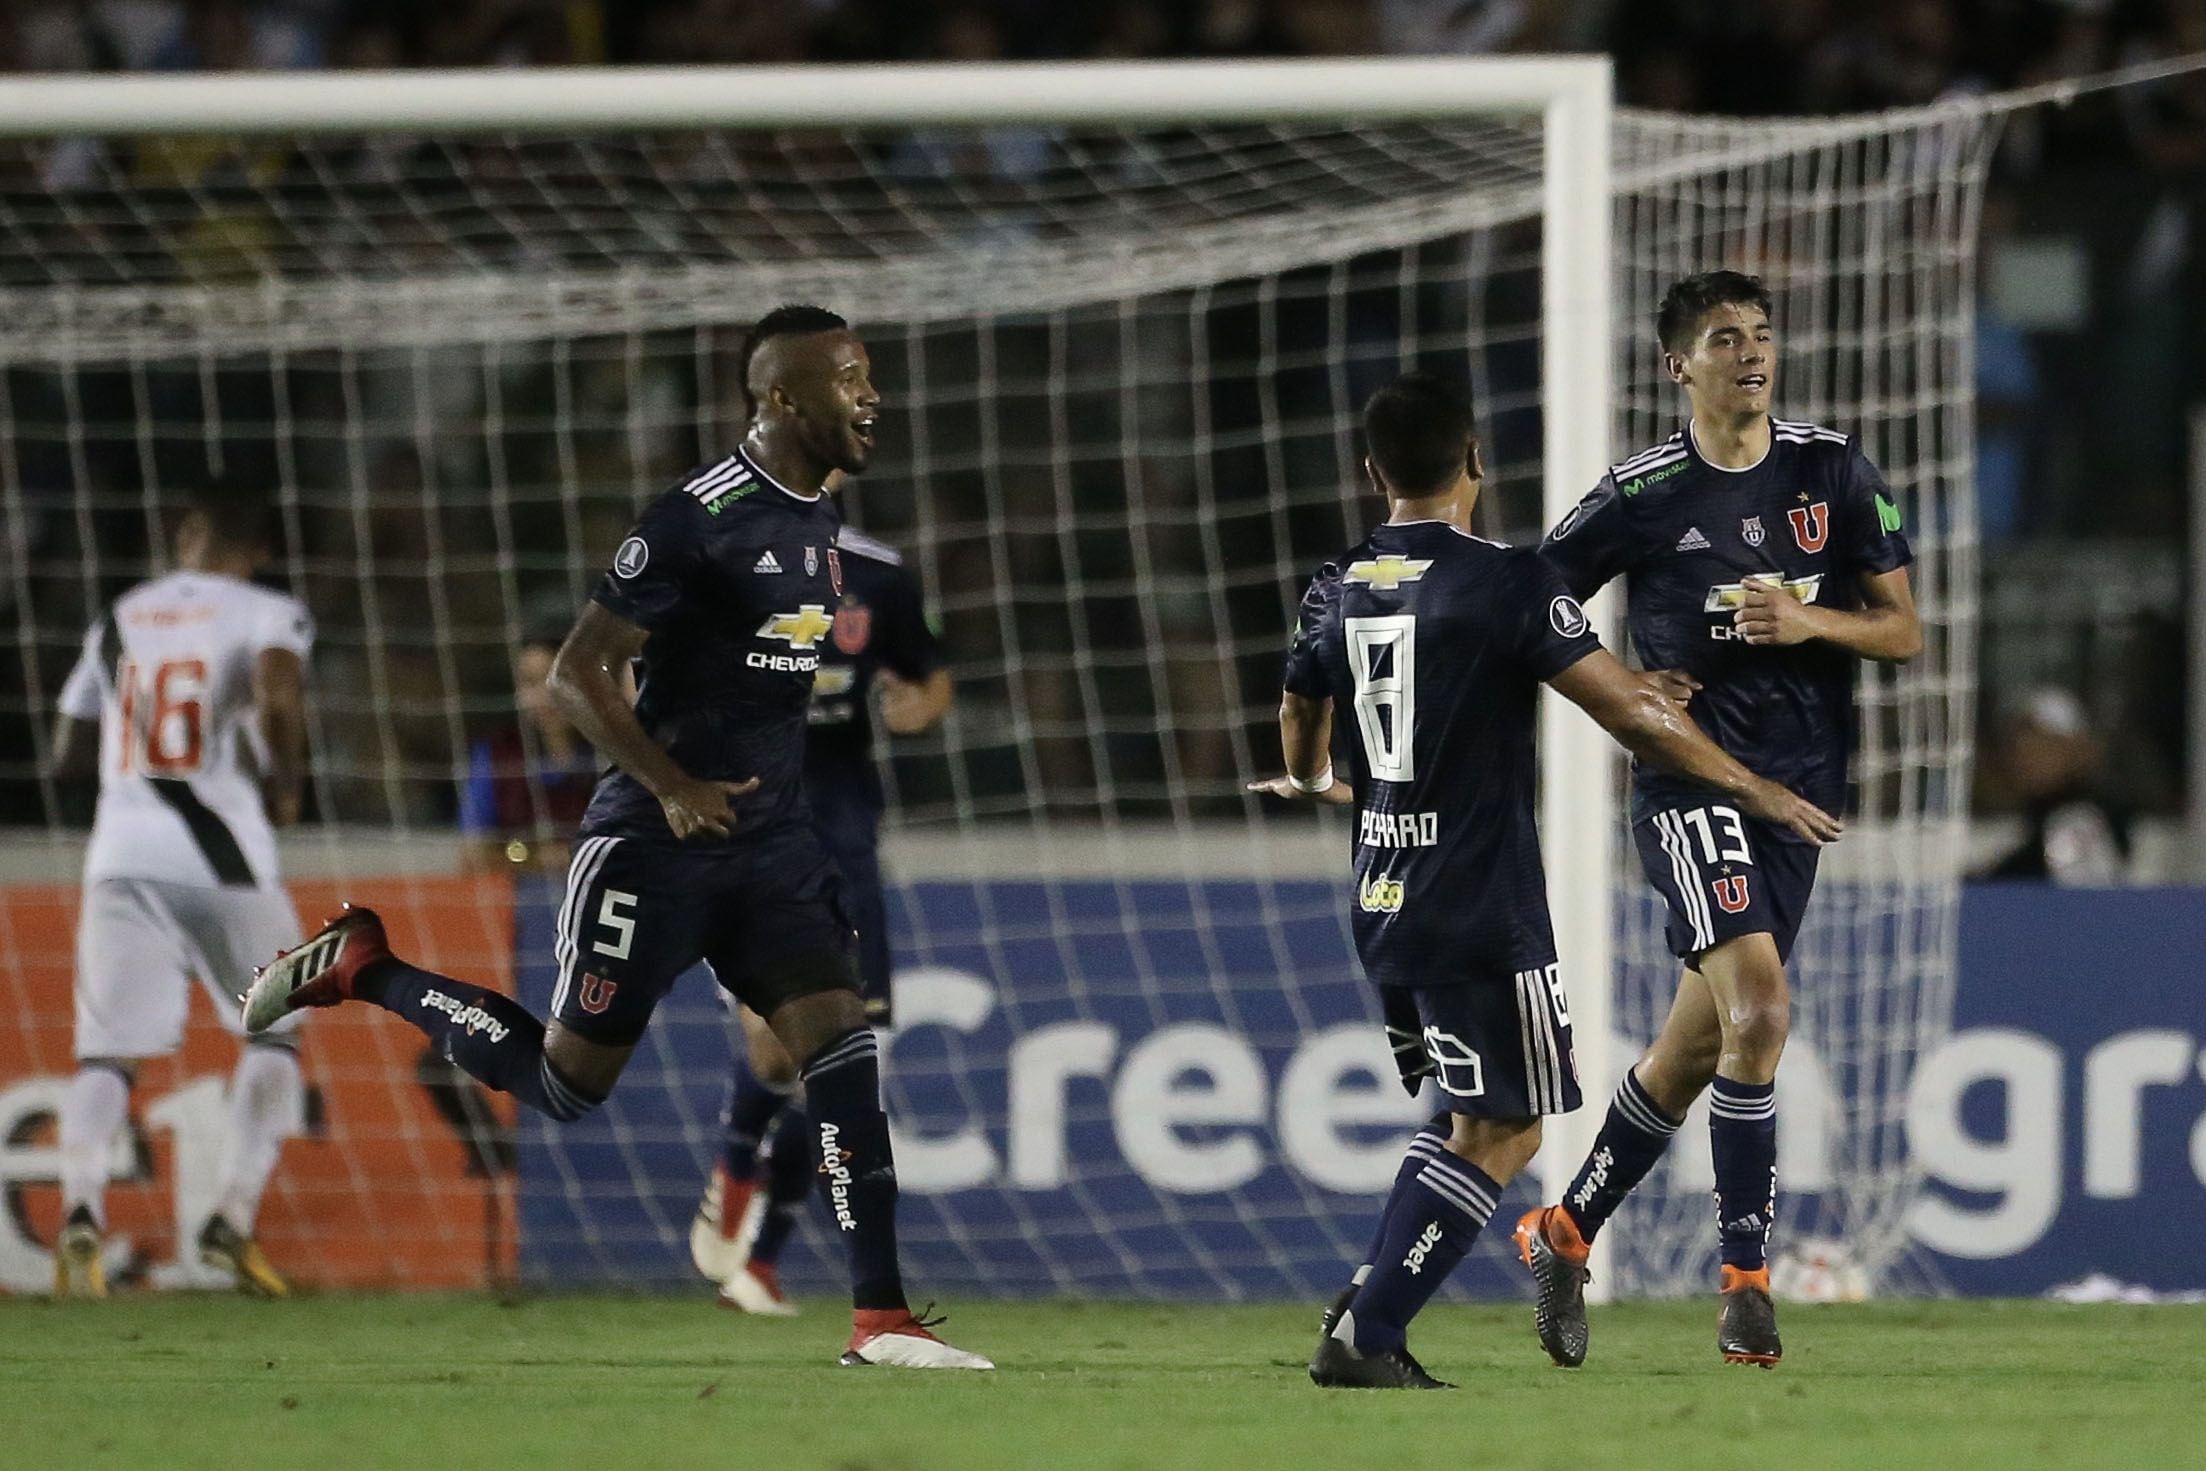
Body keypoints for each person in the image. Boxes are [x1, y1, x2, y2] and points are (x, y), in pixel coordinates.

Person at [243, 305, 990, 1371]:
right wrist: (672, 783)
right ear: (780, 397)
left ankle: (880, 1320)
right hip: (655, 841)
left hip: (772, 845)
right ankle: (369, 964)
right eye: (848, 376)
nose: (871, 395)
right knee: (565, 1084)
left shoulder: (826, 526)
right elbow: (576, 671)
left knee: (841, 1042)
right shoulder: (695, 517)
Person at [1252, 371, 1840, 1389]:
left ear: (1371, 472)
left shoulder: (1336, 579)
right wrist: (1756, 787)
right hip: (1478, 897)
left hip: (1383, 887)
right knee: (1513, 1126)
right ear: (1475, 460)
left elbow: (1300, 713)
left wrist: (1314, 781)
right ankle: (1369, 1331)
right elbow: (1627, 716)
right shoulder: (1504, 578)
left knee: (1462, 1117)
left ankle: (1368, 1297)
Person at [1519, 270, 1921, 1370]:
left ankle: (1560, 1232)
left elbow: (1901, 633)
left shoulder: (1829, 469)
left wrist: (1804, 618)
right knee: (1763, 1009)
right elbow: (1529, 601)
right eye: (1722, 338)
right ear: (1676, 366)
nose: (1750, 353)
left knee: (1695, 1047)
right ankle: (1745, 1284)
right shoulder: (1641, 493)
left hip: (1801, 795)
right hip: (1692, 788)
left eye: (1760, 334)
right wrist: (1624, 686)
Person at [49, 478, 313, 1298]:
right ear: (262, 549)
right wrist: (285, 784)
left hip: (120, 856)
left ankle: (80, 1215)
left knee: (106, 1053)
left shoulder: (119, 617)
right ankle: (231, 1214)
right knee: (279, 1029)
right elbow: (274, 691)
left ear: (183, 535)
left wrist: (126, 778)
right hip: (221, 854)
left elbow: (65, 745)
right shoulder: (269, 611)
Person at [692, 516, 952, 1316]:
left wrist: (922, 703)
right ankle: (738, 1164)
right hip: (751, 836)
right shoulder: (715, 565)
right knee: (774, 1053)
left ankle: (760, 1265)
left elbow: (930, 672)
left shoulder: (877, 574)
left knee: (844, 1058)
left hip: (845, 843)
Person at [456, 620, 600, 872]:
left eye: (556, 679)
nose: (543, 697)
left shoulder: (610, 755)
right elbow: (473, 855)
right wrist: (539, 858)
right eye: (530, 682)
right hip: (523, 901)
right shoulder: (497, 754)